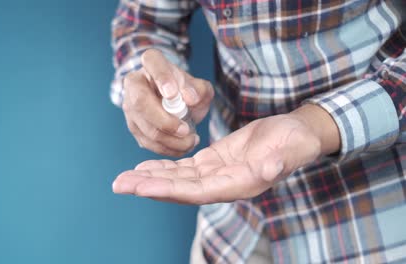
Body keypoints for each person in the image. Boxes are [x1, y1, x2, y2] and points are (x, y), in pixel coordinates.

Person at [110, 0, 406, 263]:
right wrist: (152, 82)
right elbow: (145, 20)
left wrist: (317, 124)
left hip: (376, 223)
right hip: (233, 231)